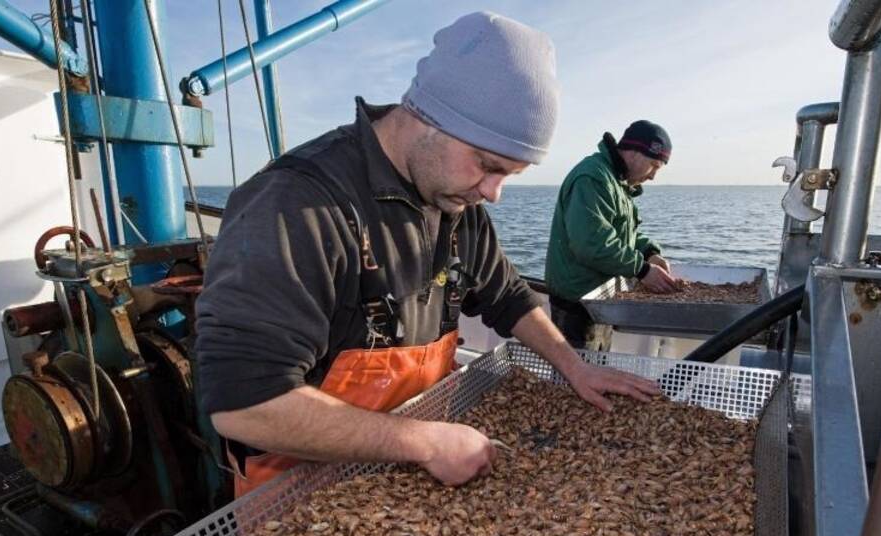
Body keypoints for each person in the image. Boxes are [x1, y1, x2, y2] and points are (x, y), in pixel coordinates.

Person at [195, 12, 660, 498]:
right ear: (427, 117)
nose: (494, 192)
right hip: (298, 491)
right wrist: (421, 442)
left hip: (417, 464)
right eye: (487, 165)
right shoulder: (295, 204)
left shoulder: (455, 200)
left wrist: (574, 366)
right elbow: (245, 406)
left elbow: (509, 298)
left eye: (510, 175)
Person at [543, 120, 678, 350]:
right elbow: (591, 243)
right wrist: (642, 270)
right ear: (635, 152)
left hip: (600, 300)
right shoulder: (593, 178)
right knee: (576, 379)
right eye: (654, 165)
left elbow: (621, 234)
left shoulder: (616, 181)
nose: (653, 176)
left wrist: (649, 253)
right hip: (577, 304)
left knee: (598, 369)